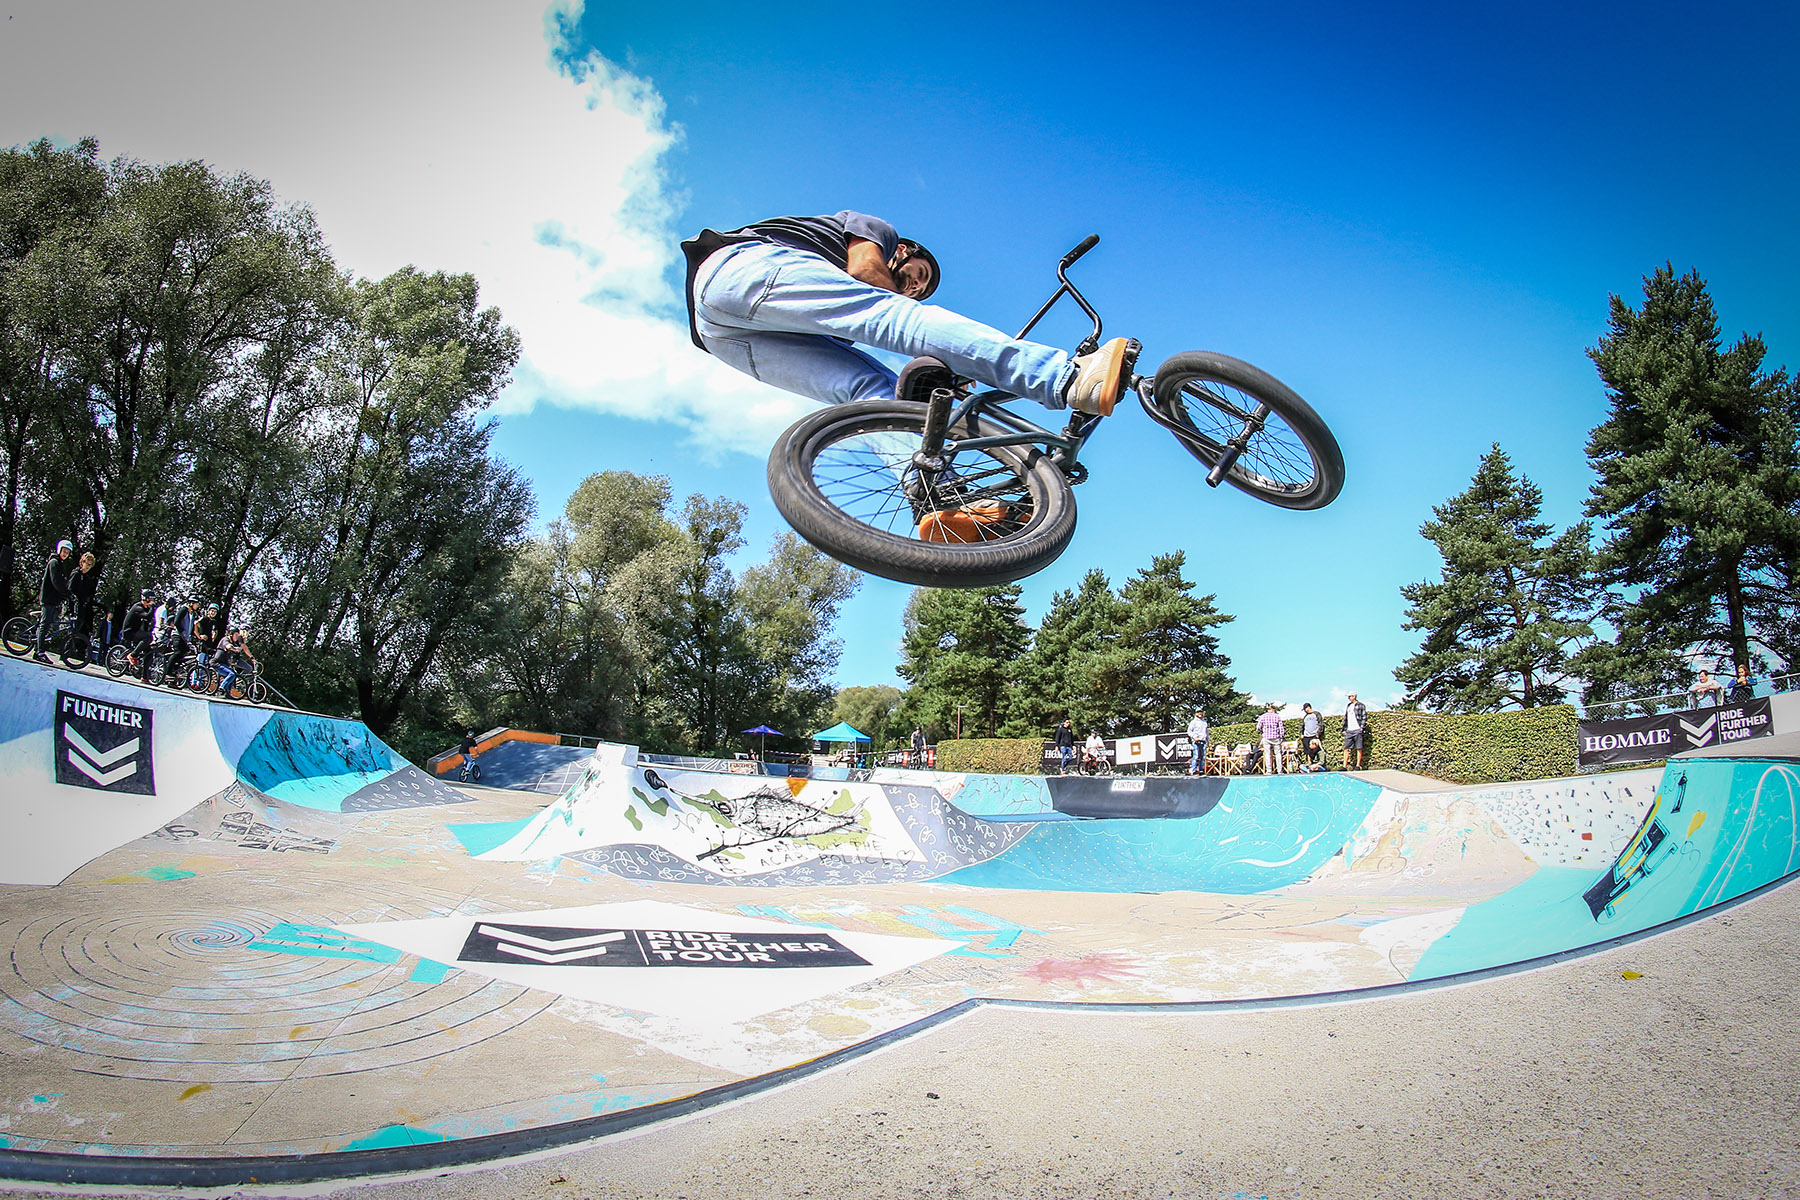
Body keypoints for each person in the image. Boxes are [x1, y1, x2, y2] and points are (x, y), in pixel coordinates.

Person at [680, 211, 1134, 541]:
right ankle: (1063, 377)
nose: (915, 287)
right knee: (894, 317)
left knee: (868, 391)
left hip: (724, 337)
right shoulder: (875, 231)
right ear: (901, 251)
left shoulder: (823, 299)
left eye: (920, 288)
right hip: (742, 269)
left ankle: (935, 495)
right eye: (918, 275)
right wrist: (946, 353)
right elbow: (868, 278)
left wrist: (941, 374)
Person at [33, 539, 76, 661]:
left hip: (53, 599)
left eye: (67, 552)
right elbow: (56, 582)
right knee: (45, 625)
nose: (65, 554)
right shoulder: (54, 562)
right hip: (48, 598)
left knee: (46, 624)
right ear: (59, 550)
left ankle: (37, 648)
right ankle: (40, 653)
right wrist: (67, 593)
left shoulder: (59, 564)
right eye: (64, 551)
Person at [66, 552, 100, 664]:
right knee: (71, 630)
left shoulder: (86, 578)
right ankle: (65, 652)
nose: (88, 567)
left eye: (90, 565)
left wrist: (86, 600)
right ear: (82, 563)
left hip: (80, 607)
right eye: (87, 564)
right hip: (72, 606)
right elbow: (70, 589)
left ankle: (68, 652)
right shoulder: (76, 574)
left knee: (76, 630)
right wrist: (73, 601)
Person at [120, 589, 158, 680]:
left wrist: (147, 634)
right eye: (151, 599)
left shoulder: (146, 609)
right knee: (148, 637)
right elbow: (147, 616)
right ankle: (132, 655)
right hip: (129, 632)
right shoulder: (137, 607)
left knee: (149, 652)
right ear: (146, 599)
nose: (152, 601)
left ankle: (144, 676)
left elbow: (147, 621)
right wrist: (152, 608)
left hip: (136, 632)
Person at [214, 626, 256, 695]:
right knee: (234, 673)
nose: (246, 634)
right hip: (230, 658)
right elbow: (244, 648)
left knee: (246, 669)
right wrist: (251, 657)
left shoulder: (239, 638)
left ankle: (237, 680)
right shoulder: (238, 638)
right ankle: (227, 686)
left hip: (234, 658)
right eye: (245, 632)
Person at [1342, 692, 1369, 772]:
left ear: (1354, 696)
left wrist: (1361, 728)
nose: (1349, 698)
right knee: (1346, 748)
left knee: (1359, 747)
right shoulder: (1348, 706)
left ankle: (1358, 765)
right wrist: (1344, 729)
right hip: (1349, 730)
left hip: (1357, 729)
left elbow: (1364, 717)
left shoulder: (1361, 705)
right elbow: (1346, 718)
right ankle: (1344, 766)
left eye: (1350, 696)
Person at [1257, 703, 1286, 775]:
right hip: (1275, 736)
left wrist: (1263, 731)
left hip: (1266, 736)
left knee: (1267, 754)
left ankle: (1269, 771)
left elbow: (1258, 727)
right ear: (1274, 710)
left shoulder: (1263, 716)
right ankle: (1279, 770)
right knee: (1278, 754)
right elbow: (1281, 728)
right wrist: (1282, 737)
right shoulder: (1277, 716)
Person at [194, 602, 223, 668]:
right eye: (212, 611)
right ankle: (195, 674)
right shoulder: (204, 618)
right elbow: (195, 624)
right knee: (200, 662)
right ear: (208, 611)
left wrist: (213, 638)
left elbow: (216, 631)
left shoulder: (214, 621)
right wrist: (199, 636)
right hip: (202, 642)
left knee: (206, 663)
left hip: (208, 643)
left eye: (215, 612)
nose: (213, 613)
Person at [1299, 702, 1323, 771]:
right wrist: (1302, 734)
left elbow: (1320, 724)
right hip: (1306, 736)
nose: (1304, 711)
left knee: (1316, 750)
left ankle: (1318, 763)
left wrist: (1318, 733)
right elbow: (1302, 725)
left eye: (1305, 709)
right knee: (1308, 751)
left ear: (1308, 708)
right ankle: (1309, 763)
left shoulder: (1316, 714)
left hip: (1314, 735)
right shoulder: (1305, 717)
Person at [1186, 710, 1209, 776]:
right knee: (1196, 756)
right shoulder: (1193, 722)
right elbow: (1189, 731)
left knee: (1202, 757)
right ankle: (1194, 770)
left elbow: (1206, 732)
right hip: (1196, 741)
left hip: (1203, 741)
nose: (1200, 713)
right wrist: (1194, 737)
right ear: (1196, 713)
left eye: (1201, 712)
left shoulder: (1204, 722)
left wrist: (1208, 740)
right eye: (1198, 712)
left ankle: (1201, 770)